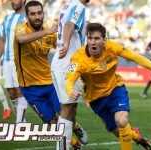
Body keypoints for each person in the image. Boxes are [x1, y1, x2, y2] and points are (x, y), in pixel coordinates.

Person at [66, 23, 151, 150]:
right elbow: (69, 78)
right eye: (90, 38)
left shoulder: (112, 47)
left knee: (122, 121)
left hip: (115, 89)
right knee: (117, 131)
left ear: (104, 40)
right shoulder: (77, 58)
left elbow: (134, 57)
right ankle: (137, 137)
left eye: (96, 39)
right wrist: (70, 90)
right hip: (96, 99)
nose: (93, 42)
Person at [51, 0, 89, 149]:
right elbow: (68, 25)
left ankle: (74, 132)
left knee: (71, 106)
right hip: (66, 64)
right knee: (67, 108)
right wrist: (66, 44)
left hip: (67, 63)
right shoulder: (78, 6)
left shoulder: (68, 5)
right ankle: (62, 147)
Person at [14, 0, 60, 124]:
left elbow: (61, 48)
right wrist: (46, 32)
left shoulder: (49, 31)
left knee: (65, 116)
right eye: (33, 14)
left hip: (51, 83)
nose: (37, 16)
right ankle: (71, 141)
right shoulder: (20, 29)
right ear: (27, 16)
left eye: (39, 13)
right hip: (30, 87)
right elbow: (21, 39)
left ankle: (75, 127)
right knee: (52, 122)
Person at [0, 0, 28, 123]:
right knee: (11, 93)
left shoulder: (28, 17)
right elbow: (3, 39)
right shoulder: (8, 17)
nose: (13, 1)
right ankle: (22, 121)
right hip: (7, 61)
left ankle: (21, 124)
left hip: (20, 61)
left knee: (20, 92)